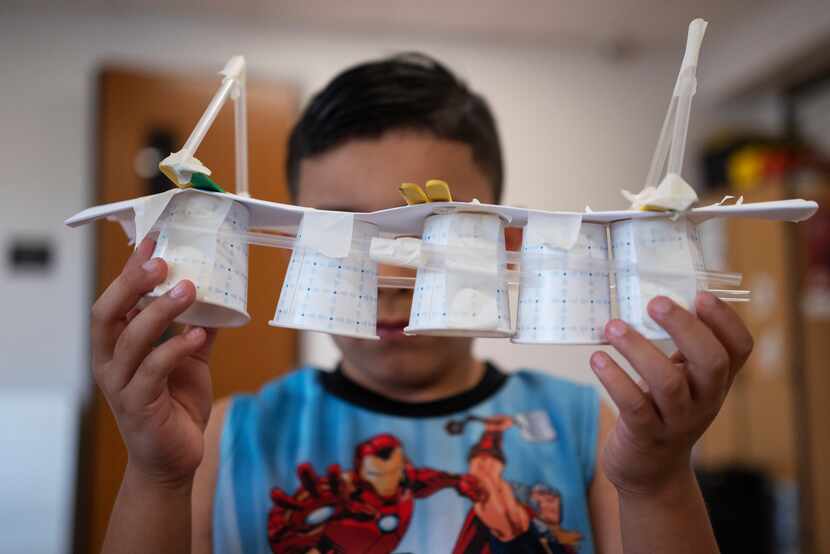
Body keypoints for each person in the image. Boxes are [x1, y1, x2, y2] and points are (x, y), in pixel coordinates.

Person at [92, 53, 753, 553]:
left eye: (433, 228)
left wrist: (660, 481)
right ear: (294, 243)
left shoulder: (596, 434)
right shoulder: (216, 440)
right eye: (343, 232)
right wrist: (155, 477)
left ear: (508, 239)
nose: (389, 275)